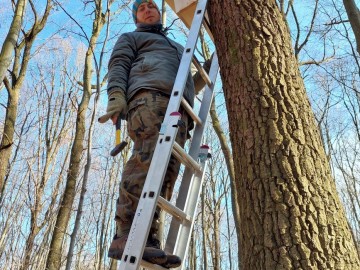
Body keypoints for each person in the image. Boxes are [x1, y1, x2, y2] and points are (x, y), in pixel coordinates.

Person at [98, 0, 207, 268]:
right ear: (136, 17)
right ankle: (125, 235)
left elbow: (186, 81)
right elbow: (119, 65)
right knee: (146, 160)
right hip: (149, 99)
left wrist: (206, 73)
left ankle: (149, 240)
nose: (147, 10)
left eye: (151, 6)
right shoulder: (132, 38)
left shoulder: (177, 47)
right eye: (141, 8)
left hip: (180, 111)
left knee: (165, 175)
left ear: (159, 13)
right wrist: (115, 96)